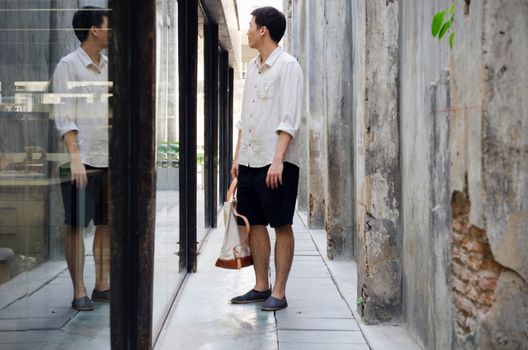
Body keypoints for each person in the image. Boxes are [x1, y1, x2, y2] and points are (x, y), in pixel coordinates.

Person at [230, 7, 303, 311]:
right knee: (254, 224)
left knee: (281, 224)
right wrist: (237, 159)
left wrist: (278, 159)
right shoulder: (254, 69)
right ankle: (261, 286)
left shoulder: (288, 67)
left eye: (250, 25)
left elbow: (290, 117)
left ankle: (280, 291)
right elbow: (245, 120)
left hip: (276, 163)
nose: (247, 30)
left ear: (263, 31)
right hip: (249, 160)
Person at [52, 6, 110, 311]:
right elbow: (64, 116)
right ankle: (79, 291)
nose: (112, 30)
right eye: (108, 25)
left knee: (106, 224)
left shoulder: (110, 66)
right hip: (82, 160)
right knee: (75, 225)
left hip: (109, 159)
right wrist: (75, 158)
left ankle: (102, 285)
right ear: (94, 30)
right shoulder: (68, 66)